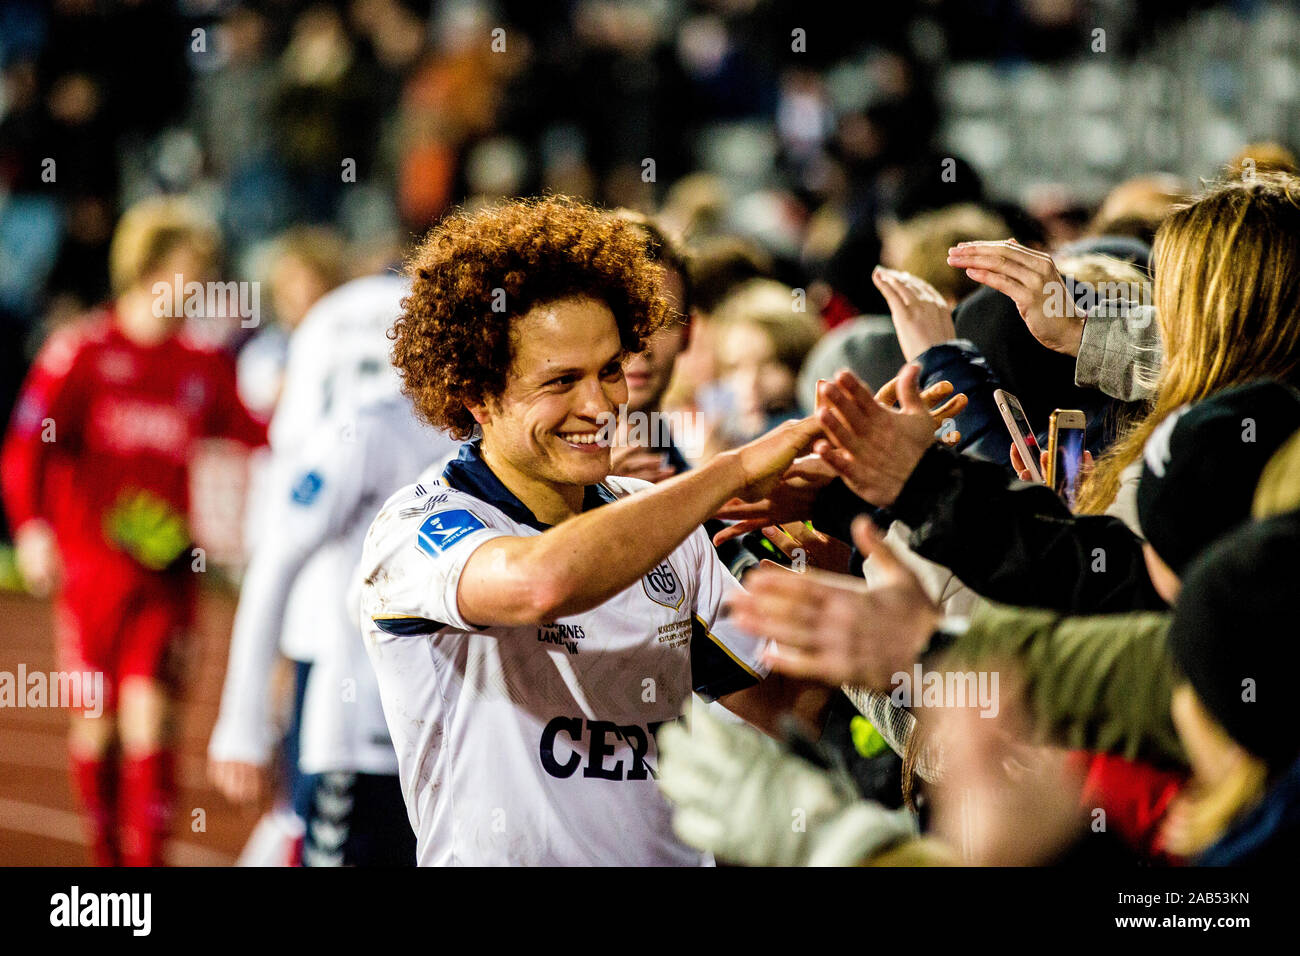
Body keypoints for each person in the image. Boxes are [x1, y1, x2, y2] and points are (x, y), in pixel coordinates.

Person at [355, 195, 825, 865]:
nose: (599, 404)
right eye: (562, 381)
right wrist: (731, 472)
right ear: (476, 394)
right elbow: (541, 582)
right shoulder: (417, 527)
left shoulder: (659, 520)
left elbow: (781, 714)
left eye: (609, 370)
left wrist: (833, 553)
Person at [0, 196, 267, 865]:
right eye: (191, 267)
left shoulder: (202, 366)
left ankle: (144, 872)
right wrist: (32, 530)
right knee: (100, 725)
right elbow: (25, 448)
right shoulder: (82, 352)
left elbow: (259, 435)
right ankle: (106, 860)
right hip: (92, 573)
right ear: (150, 268)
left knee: (156, 722)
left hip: (169, 576)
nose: (204, 283)